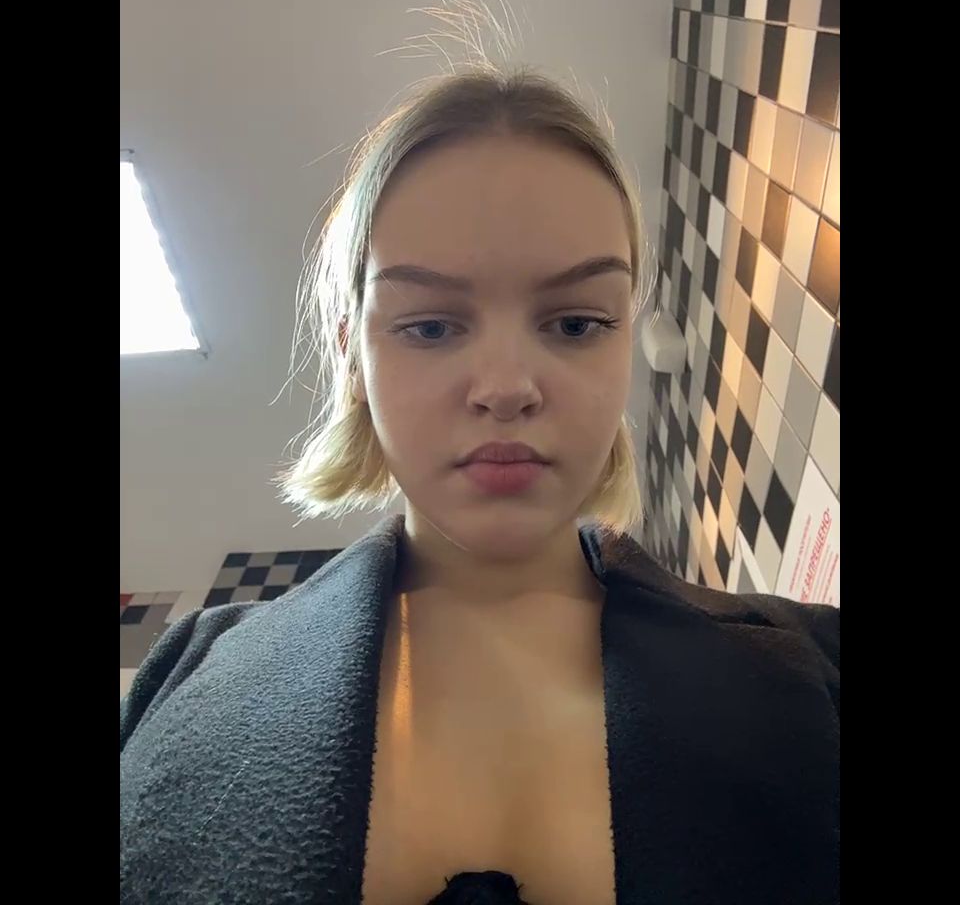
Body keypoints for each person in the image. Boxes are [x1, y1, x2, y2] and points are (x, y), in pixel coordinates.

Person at [120, 67, 839, 905]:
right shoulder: (182, 675)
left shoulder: (817, 664)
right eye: (430, 326)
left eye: (576, 323)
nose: (505, 388)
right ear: (353, 356)